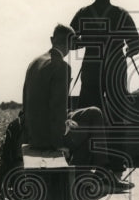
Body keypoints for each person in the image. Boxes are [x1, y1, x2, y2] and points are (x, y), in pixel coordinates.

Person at [22, 23, 130, 189]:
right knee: (95, 120)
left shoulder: (34, 62)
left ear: (52, 40)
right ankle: (102, 172)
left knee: (92, 112)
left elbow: (29, 103)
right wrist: (60, 144)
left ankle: (87, 173)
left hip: (33, 133)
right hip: (49, 138)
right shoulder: (62, 67)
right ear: (72, 45)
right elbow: (57, 108)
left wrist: (68, 117)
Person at [69, 0, 139, 122]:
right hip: (116, 67)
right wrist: (129, 51)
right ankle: (117, 145)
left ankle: (89, 144)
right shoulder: (122, 14)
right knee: (118, 113)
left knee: (87, 112)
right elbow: (135, 45)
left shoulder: (84, 13)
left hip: (91, 67)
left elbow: (68, 42)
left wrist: (87, 42)